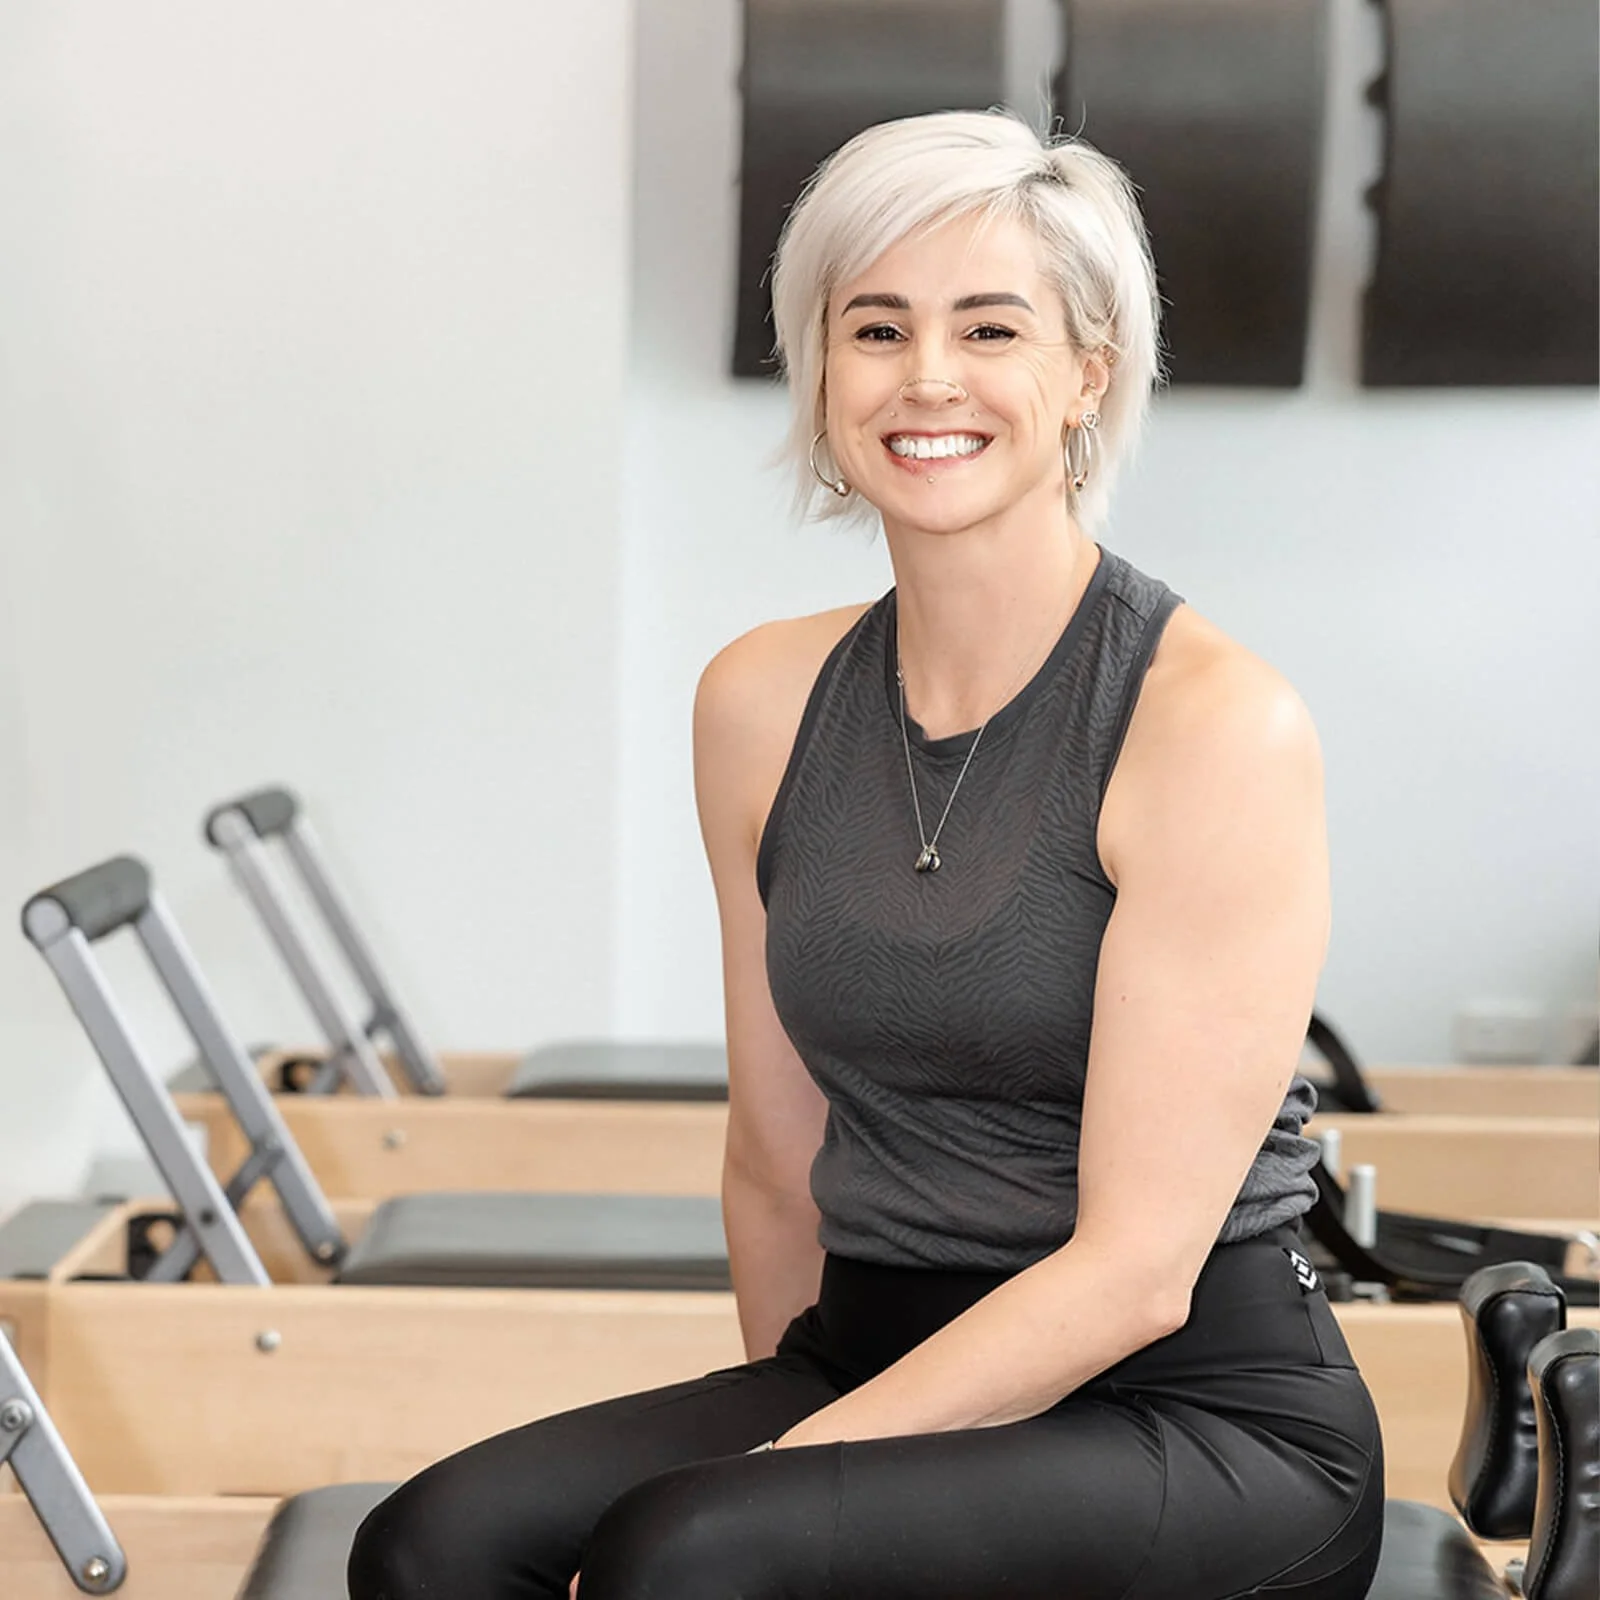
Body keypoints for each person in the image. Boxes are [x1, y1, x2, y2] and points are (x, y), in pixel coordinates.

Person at [347, 108, 1383, 1600]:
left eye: (991, 327)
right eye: (876, 328)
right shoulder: (760, 703)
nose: (929, 379)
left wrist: (770, 1501)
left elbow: (1138, 1273)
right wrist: (801, 1495)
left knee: (691, 1554)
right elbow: (776, 1164)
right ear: (824, 370)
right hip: (876, 1342)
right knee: (433, 1546)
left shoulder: (1212, 724)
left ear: (1088, 372)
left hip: (1200, 1412)